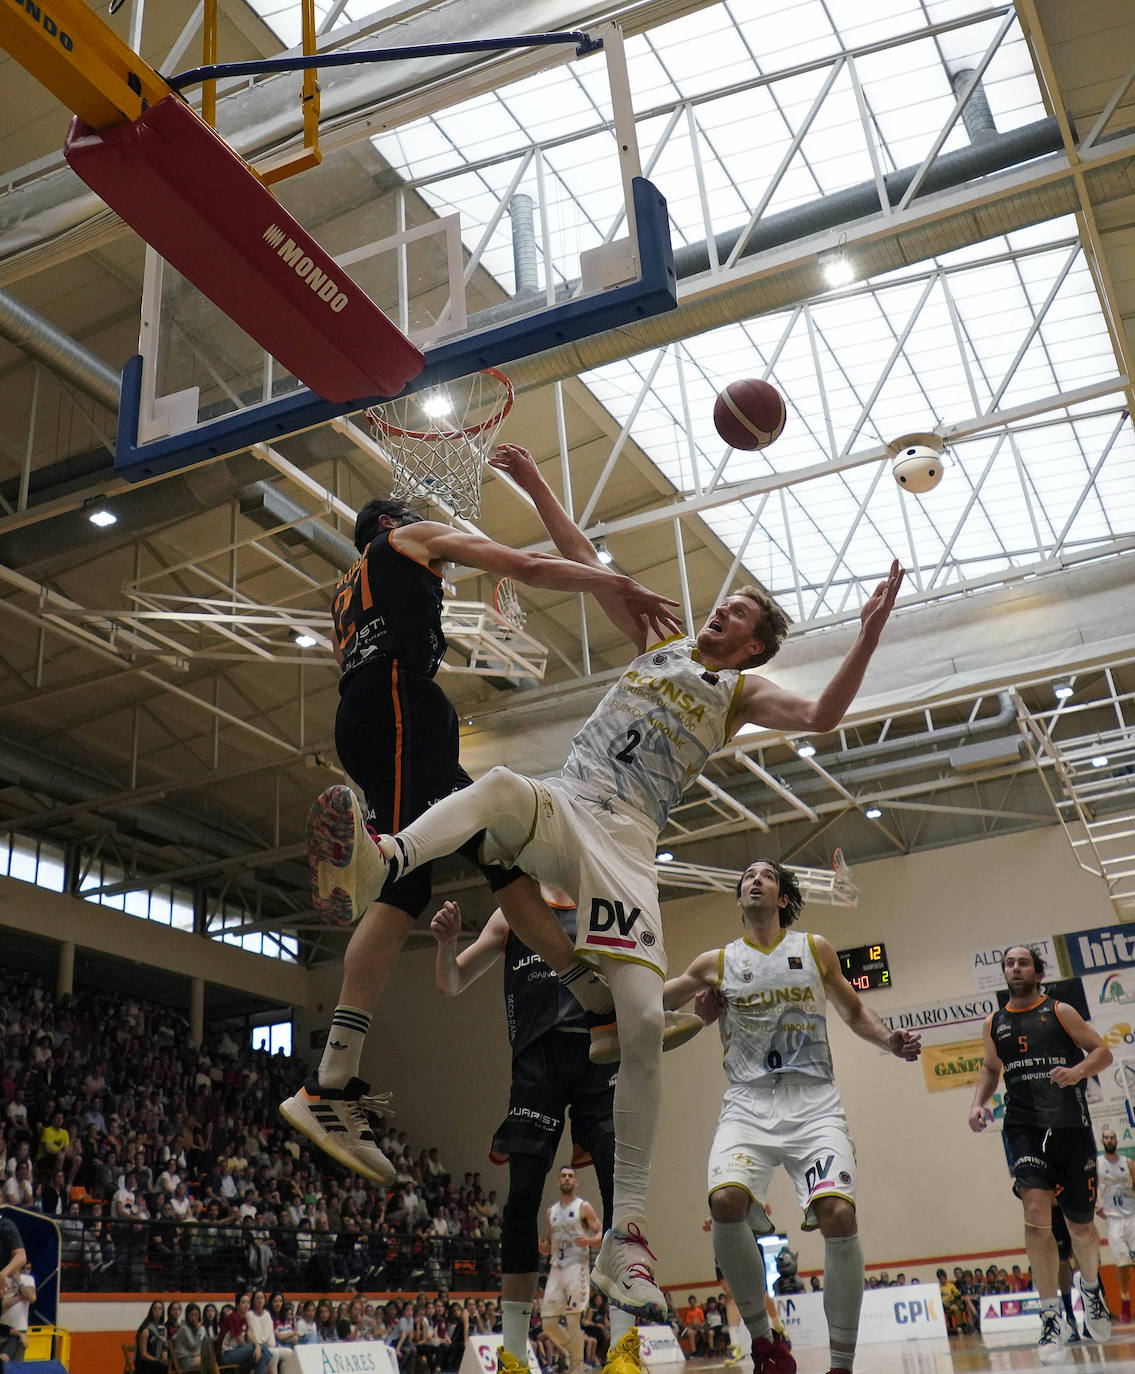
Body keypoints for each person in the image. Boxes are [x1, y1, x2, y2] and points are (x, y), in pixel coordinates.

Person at [309, 462, 905, 1329]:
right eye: (724, 602)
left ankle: (627, 1233)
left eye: (736, 611)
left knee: (634, 1025)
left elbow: (820, 718)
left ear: (751, 643)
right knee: (500, 785)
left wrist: (867, 637)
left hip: (627, 839)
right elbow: (581, 559)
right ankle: (383, 857)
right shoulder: (660, 642)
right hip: (571, 801)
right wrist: (542, 485)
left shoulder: (740, 690)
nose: (719, 609)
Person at [281, 445, 681, 1184]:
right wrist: (613, 579)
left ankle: (589, 1001)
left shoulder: (350, 586)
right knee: (405, 886)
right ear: (396, 523)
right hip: (401, 706)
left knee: (499, 850)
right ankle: (328, 1082)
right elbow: (523, 566)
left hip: (368, 712)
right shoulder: (411, 537)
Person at [663, 858, 922, 1374]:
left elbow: (853, 1011)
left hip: (813, 1101)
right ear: (740, 899)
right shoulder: (716, 962)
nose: (753, 880)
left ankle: (841, 1364)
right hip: (748, 1102)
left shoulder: (813, 948)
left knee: (840, 1215)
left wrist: (889, 1038)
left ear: (782, 898)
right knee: (725, 1201)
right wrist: (689, 1012)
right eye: (746, 877)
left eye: (765, 876)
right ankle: (765, 1342)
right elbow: (651, 1002)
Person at [431, 891, 617, 1372]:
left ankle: (627, 1344)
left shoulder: (601, 904)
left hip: (598, 1054)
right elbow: (450, 983)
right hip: (537, 1065)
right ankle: (514, 1354)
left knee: (622, 1189)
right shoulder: (509, 912)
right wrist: (447, 944)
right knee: (520, 1203)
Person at [969, 944, 1114, 1363]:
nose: (1015, 968)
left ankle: (1091, 1290)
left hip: (1070, 1127)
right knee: (1036, 1215)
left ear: (1037, 970)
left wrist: (1077, 1072)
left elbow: (1102, 1052)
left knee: (1081, 1227)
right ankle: (1052, 1316)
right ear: (1005, 972)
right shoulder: (994, 1022)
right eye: (1009, 963)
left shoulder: (1061, 1012)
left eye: (1023, 962)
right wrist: (978, 1103)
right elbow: (990, 1069)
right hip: (1023, 1128)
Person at [1096, 1127, 1135, 1322]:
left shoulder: (1128, 1163)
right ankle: (1125, 1300)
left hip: (1132, 1217)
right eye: (1106, 1138)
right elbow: (1091, 1188)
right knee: (1122, 1262)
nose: (1109, 1140)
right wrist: (1096, 1208)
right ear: (1102, 1141)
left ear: (1116, 1140)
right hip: (1113, 1220)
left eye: (1112, 1137)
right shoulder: (1097, 1164)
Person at [0, 1258, 35, 1365]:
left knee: (17, 1364)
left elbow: (32, 1297)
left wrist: (19, 1282)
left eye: (28, 1269)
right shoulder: (3, 1279)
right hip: (3, 1327)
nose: (25, 1271)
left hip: (19, 1328)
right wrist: (21, 1295)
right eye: (22, 1268)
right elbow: (3, 1306)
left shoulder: (28, 1280)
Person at [135, 1299, 169, 1374]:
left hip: (158, 1359)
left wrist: (164, 1357)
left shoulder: (163, 1328)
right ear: (151, 1311)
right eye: (155, 1308)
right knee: (159, 1366)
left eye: (160, 1309)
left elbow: (164, 1347)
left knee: (165, 1365)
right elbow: (143, 1354)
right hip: (145, 1361)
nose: (157, 1311)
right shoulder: (146, 1329)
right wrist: (156, 1360)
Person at [172, 1302, 204, 1373]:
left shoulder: (195, 1327)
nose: (194, 1318)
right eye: (192, 1315)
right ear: (187, 1315)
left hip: (194, 1356)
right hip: (184, 1359)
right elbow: (193, 1346)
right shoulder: (184, 1328)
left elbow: (202, 1344)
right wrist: (199, 1330)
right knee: (209, 1362)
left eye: (196, 1315)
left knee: (210, 1360)